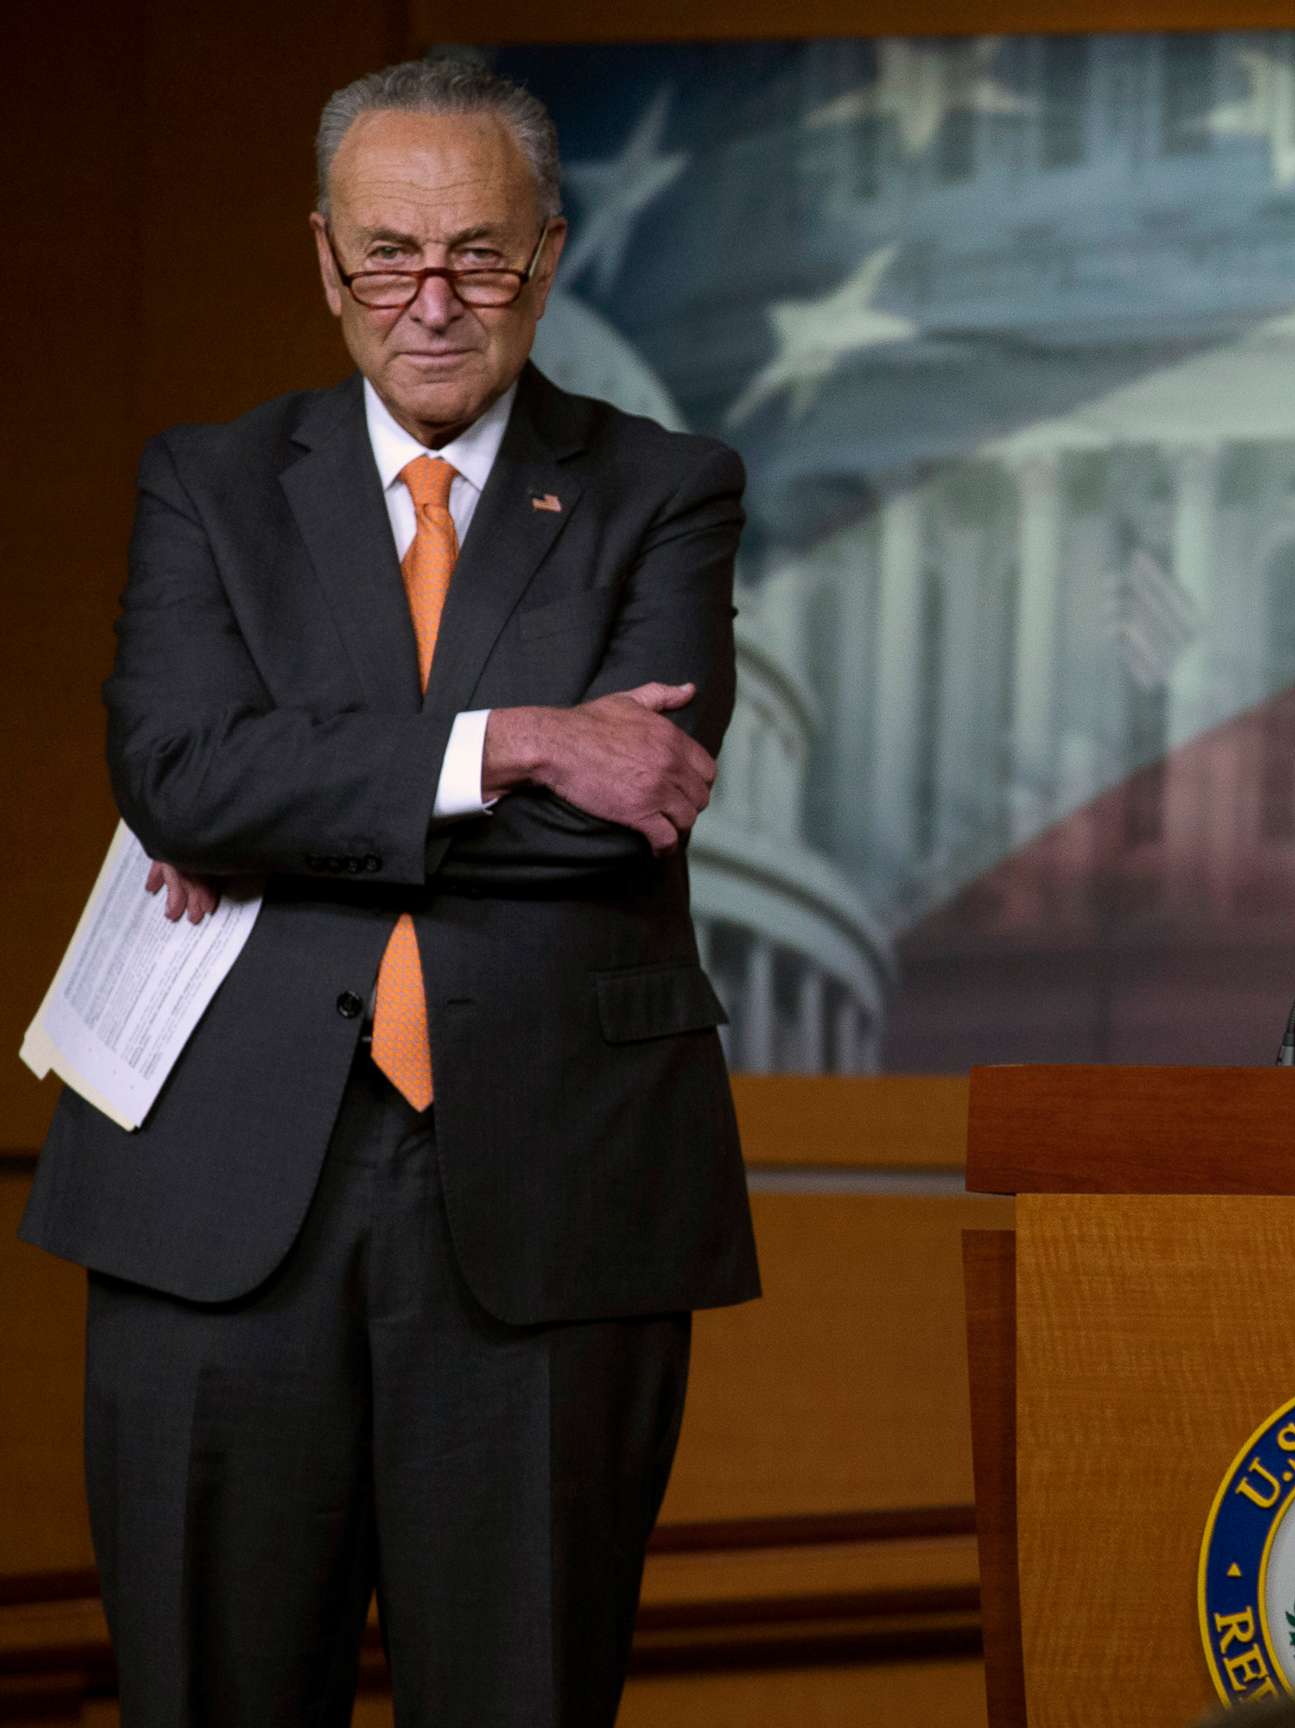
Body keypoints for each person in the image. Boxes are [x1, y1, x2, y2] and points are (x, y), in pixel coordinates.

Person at [18, 58, 757, 1726]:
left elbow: (623, 814)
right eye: (387, 258)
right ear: (323, 262)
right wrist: (511, 744)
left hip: (554, 1196)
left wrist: (296, 800)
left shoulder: (664, 488)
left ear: (548, 256)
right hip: (215, 1198)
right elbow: (181, 781)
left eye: (480, 256)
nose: (433, 302)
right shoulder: (206, 484)